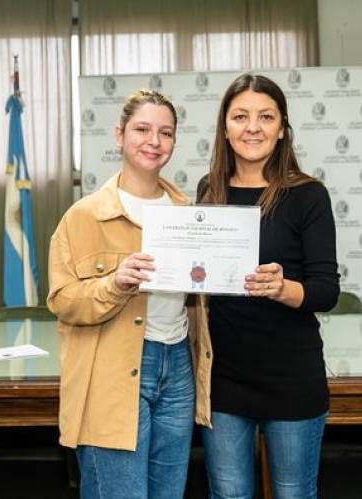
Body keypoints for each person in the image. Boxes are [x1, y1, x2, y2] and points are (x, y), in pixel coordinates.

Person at [47, 89, 212, 499]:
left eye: (166, 132)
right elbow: (63, 302)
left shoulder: (189, 214)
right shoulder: (82, 217)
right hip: (113, 370)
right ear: (119, 135)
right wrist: (114, 283)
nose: (154, 141)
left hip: (177, 367)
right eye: (142, 129)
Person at [197, 73, 339, 499]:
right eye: (240, 116)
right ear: (225, 128)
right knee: (228, 494)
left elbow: (326, 291)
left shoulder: (308, 195)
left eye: (265, 116)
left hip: (291, 376)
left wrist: (283, 288)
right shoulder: (210, 191)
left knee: (294, 493)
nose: (252, 127)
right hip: (224, 375)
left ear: (282, 129)